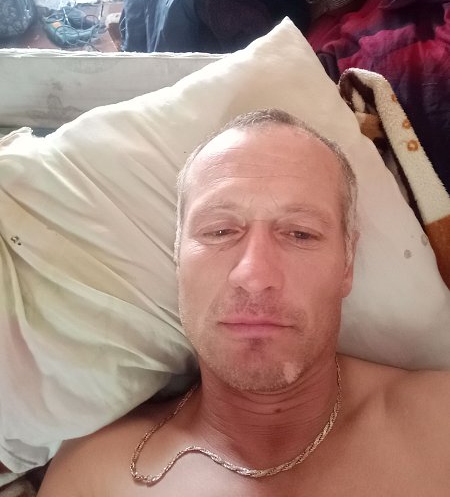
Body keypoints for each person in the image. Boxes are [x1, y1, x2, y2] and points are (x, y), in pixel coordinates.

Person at [38, 109, 450, 496]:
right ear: (178, 258)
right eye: (219, 231)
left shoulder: (439, 425)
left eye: (301, 233)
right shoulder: (90, 475)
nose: (254, 275)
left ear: (347, 264)